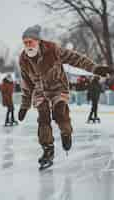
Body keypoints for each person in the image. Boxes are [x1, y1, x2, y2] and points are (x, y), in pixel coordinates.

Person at [18, 24, 100, 167]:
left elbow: (76, 59)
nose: (28, 45)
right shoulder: (23, 59)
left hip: (58, 88)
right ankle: (48, 149)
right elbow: (26, 84)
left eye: (30, 41)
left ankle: (66, 133)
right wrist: (25, 105)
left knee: (60, 111)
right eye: (25, 43)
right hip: (40, 92)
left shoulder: (53, 50)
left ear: (38, 41)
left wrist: (95, 68)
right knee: (43, 117)